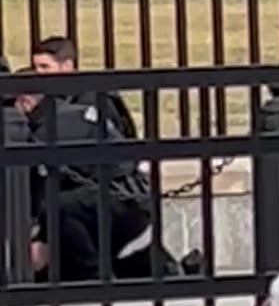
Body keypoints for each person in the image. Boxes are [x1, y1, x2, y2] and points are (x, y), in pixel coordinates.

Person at [14, 75, 172, 282]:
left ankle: (94, 277)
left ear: (26, 102)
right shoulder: (77, 112)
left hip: (116, 207)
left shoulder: (45, 131)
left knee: (56, 208)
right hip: (134, 200)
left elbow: (48, 192)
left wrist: (41, 237)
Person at [30, 36, 139, 140]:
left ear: (67, 66)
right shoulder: (36, 96)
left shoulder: (95, 97)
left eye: (45, 67)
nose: (38, 72)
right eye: (35, 67)